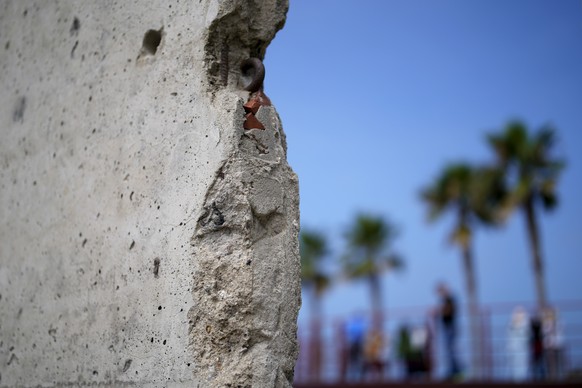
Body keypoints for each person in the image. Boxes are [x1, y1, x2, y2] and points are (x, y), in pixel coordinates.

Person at [435, 282, 461, 380]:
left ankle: (455, 370)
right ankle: (453, 370)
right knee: (449, 350)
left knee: (451, 350)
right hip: (448, 327)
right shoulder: (447, 300)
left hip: (450, 327)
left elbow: (449, 311)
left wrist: (439, 311)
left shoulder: (449, 300)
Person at [507, 306, 530, 381]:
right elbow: (509, 337)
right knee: (513, 369)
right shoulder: (511, 324)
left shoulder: (525, 324)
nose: (518, 315)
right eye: (517, 313)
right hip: (513, 350)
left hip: (522, 351)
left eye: (520, 313)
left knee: (522, 370)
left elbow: (526, 336)